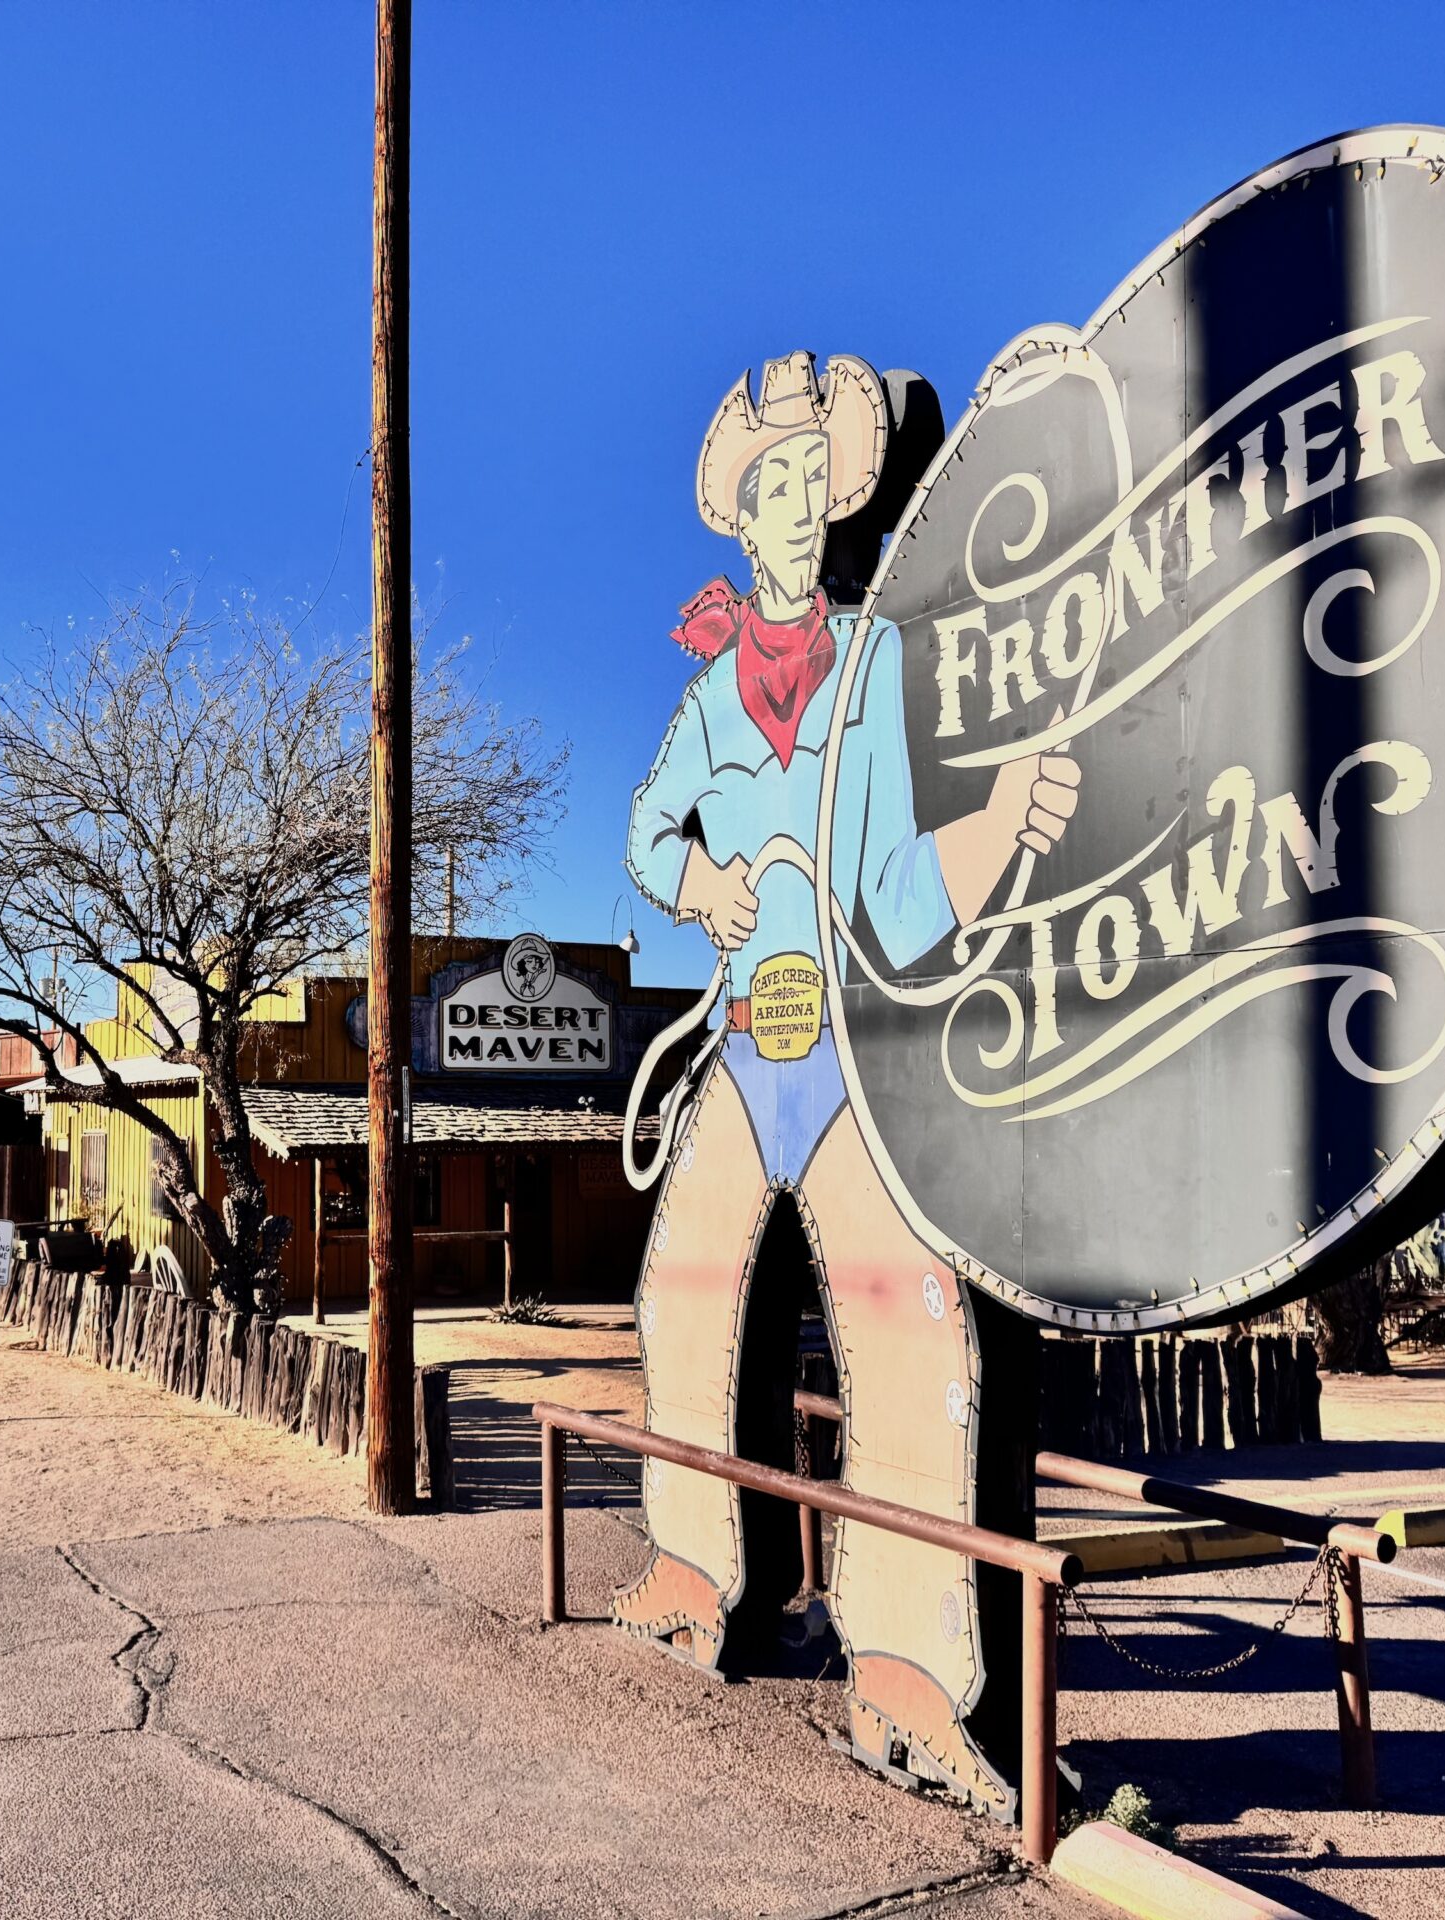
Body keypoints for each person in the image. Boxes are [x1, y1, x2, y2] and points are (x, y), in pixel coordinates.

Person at [617, 351, 1079, 1814]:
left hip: (863, 1051)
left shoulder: (881, 666)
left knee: (912, 1327)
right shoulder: (707, 696)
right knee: (686, 1283)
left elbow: (891, 890)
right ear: (740, 518)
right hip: (747, 1037)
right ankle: (698, 1571)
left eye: (820, 480)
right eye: (777, 485)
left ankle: (916, 1676)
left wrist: (999, 829)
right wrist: (704, 883)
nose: (801, 506)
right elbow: (642, 833)